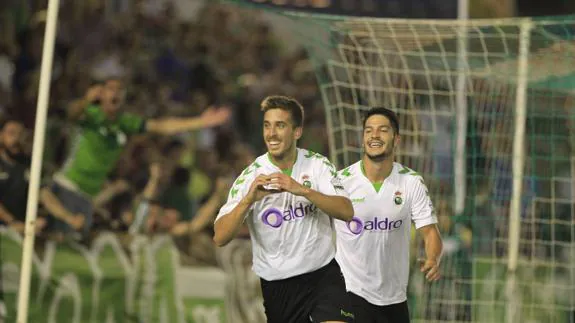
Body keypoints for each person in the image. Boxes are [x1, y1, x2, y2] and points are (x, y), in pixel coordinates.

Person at [213, 95, 355, 323]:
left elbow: (346, 211)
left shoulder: (317, 165)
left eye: (280, 126)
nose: (271, 133)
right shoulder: (250, 176)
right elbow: (220, 236)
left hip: (323, 275)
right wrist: (248, 200)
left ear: (297, 132)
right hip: (279, 285)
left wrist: (303, 191)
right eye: (267, 126)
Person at [44, 78, 230, 235]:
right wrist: (86, 99)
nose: (115, 93)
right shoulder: (90, 115)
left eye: (120, 90)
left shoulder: (125, 122)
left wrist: (200, 122)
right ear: (100, 93)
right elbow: (71, 114)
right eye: (111, 89)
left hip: (89, 196)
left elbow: (161, 126)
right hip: (67, 185)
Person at [335, 107, 443, 323]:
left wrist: (433, 258)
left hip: (394, 299)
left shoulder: (411, 182)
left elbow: (430, 232)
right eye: (368, 130)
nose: (374, 135)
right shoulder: (340, 181)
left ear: (396, 140)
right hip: (349, 292)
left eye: (383, 130)